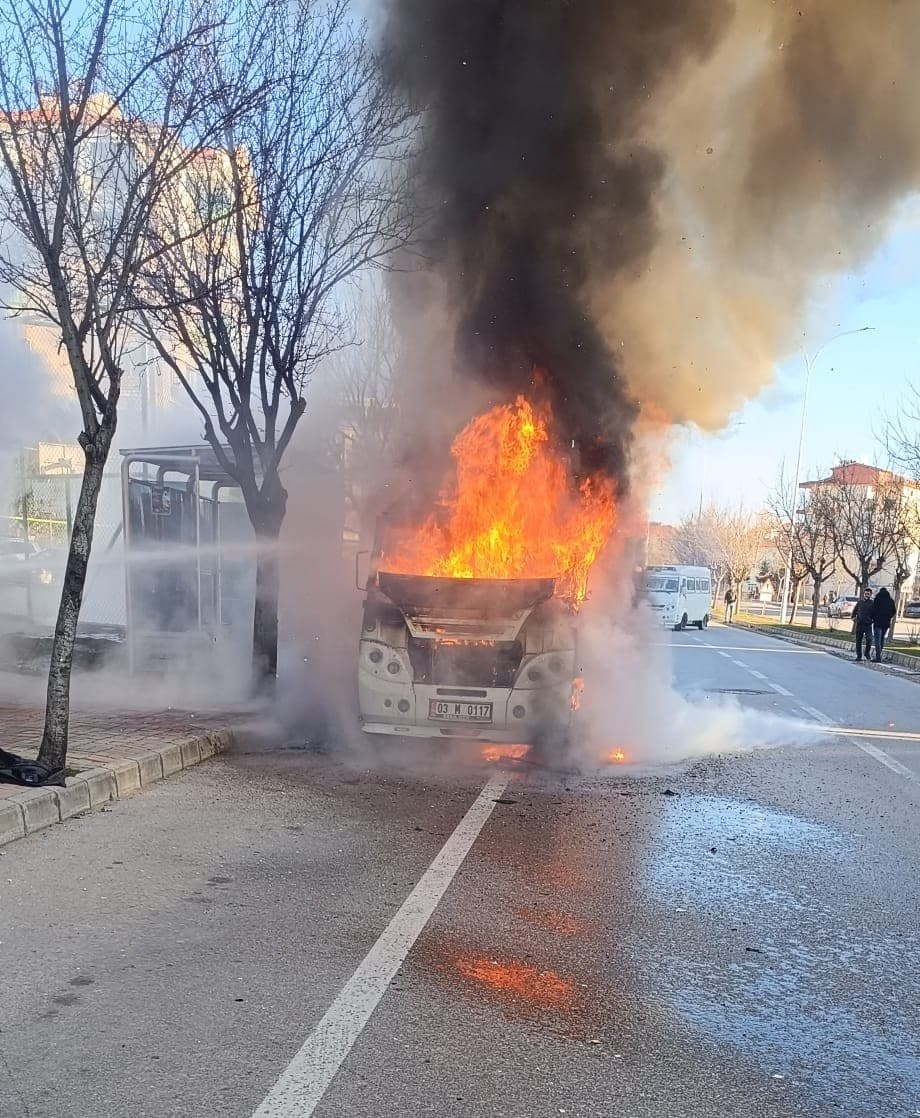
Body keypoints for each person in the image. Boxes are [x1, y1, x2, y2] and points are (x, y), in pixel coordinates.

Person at [871, 587, 897, 663]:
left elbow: (873, 610)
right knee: (882, 639)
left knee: (877, 640)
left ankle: (878, 657)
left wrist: (873, 618)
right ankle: (879, 655)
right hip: (886, 623)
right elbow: (894, 611)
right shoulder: (890, 601)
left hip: (878, 622)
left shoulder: (877, 599)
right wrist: (888, 616)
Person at [851, 588, 874, 662]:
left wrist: (873, 620)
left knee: (869, 639)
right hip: (860, 624)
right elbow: (854, 611)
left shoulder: (872, 603)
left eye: (868, 594)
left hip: (868, 625)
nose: (866, 595)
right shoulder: (860, 602)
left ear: (870, 595)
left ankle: (867, 653)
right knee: (858, 641)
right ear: (863, 594)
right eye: (865, 593)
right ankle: (859, 656)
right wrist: (854, 619)